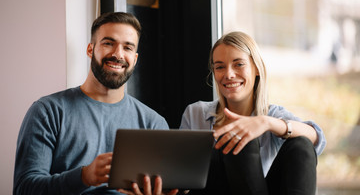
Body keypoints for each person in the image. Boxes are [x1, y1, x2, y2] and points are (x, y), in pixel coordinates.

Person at [13, 12, 178, 195]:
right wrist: (83, 176)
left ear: (135, 59)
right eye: (108, 43)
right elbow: (24, 189)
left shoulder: (154, 123)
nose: (118, 54)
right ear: (90, 49)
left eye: (128, 48)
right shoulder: (47, 111)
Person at [180, 31, 327, 195]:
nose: (229, 74)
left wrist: (266, 123)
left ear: (256, 69)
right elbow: (180, 177)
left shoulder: (272, 115)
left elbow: (316, 138)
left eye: (239, 64)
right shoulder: (195, 113)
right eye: (220, 67)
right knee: (238, 140)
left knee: (302, 144)